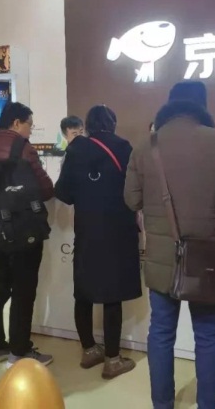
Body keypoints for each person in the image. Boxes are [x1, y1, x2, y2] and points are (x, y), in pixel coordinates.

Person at [125, 81, 215, 409]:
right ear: (202, 105)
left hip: (160, 258)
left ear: (169, 105)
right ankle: (209, 404)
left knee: (161, 333)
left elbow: (131, 199)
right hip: (204, 259)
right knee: (208, 334)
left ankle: (162, 404)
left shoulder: (145, 145)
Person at [55, 105, 142, 379]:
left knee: (83, 291)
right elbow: (136, 191)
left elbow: (63, 193)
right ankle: (113, 360)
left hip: (87, 230)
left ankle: (90, 350)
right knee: (112, 295)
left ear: (88, 126)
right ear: (113, 123)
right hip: (118, 231)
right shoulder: (124, 148)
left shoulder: (76, 149)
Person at [0, 102, 55, 368]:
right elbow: (45, 189)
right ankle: (19, 351)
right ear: (17, 123)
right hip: (24, 230)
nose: (31, 130)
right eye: (30, 124)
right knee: (23, 290)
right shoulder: (24, 148)